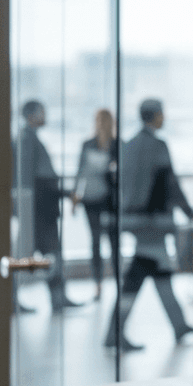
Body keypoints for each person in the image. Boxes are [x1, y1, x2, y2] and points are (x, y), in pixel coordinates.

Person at [104, 98, 193, 351]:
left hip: (133, 217)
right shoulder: (158, 145)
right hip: (153, 221)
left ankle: (178, 325)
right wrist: (189, 212)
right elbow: (170, 183)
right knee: (139, 273)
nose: (164, 118)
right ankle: (115, 331)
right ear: (154, 116)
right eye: (162, 114)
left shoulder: (129, 145)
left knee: (160, 270)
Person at [13, 100, 81, 311]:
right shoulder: (27, 140)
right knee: (27, 256)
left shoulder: (30, 139)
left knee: (50, 254)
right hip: (37, 211)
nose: (45, 116)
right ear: (31, 115)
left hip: (39, 209)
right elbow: (31, 181)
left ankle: (58, 297)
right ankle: (12, 299)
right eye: (42, 112)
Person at [72, 109, 118, 301]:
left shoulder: (116, 145)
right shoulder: (87, 144)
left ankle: (117, 283)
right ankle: (97, 283)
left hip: (109, 200)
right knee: (96, 241)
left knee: (114, 242)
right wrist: (75, 197)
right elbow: (80, 172)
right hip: (91, 200)